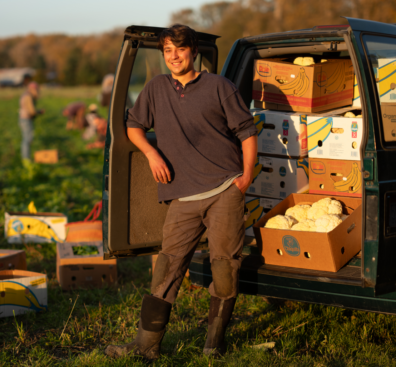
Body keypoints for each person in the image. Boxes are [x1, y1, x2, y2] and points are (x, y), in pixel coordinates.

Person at [105, 24, 258, 360]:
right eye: (167, 51)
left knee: (223, 268)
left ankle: (213, 347)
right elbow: (133, 126)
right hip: (182, 197)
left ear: (194, 52)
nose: (174, 56)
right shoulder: (157, 88)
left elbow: (247, 133)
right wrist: (151, 152)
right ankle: (146, 346)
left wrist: (245, 178)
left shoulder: (219, 86)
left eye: (180, 49)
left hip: (224, 191)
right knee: (166, 270)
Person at [18, 82, 43, 161]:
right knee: (27, 139)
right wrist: (39, 112)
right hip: (26, 119)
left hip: (23, 118)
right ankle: (26, 159)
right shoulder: (28, 96)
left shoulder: (25, 94)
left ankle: (26, 158)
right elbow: (31, 111)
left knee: (26, 139)